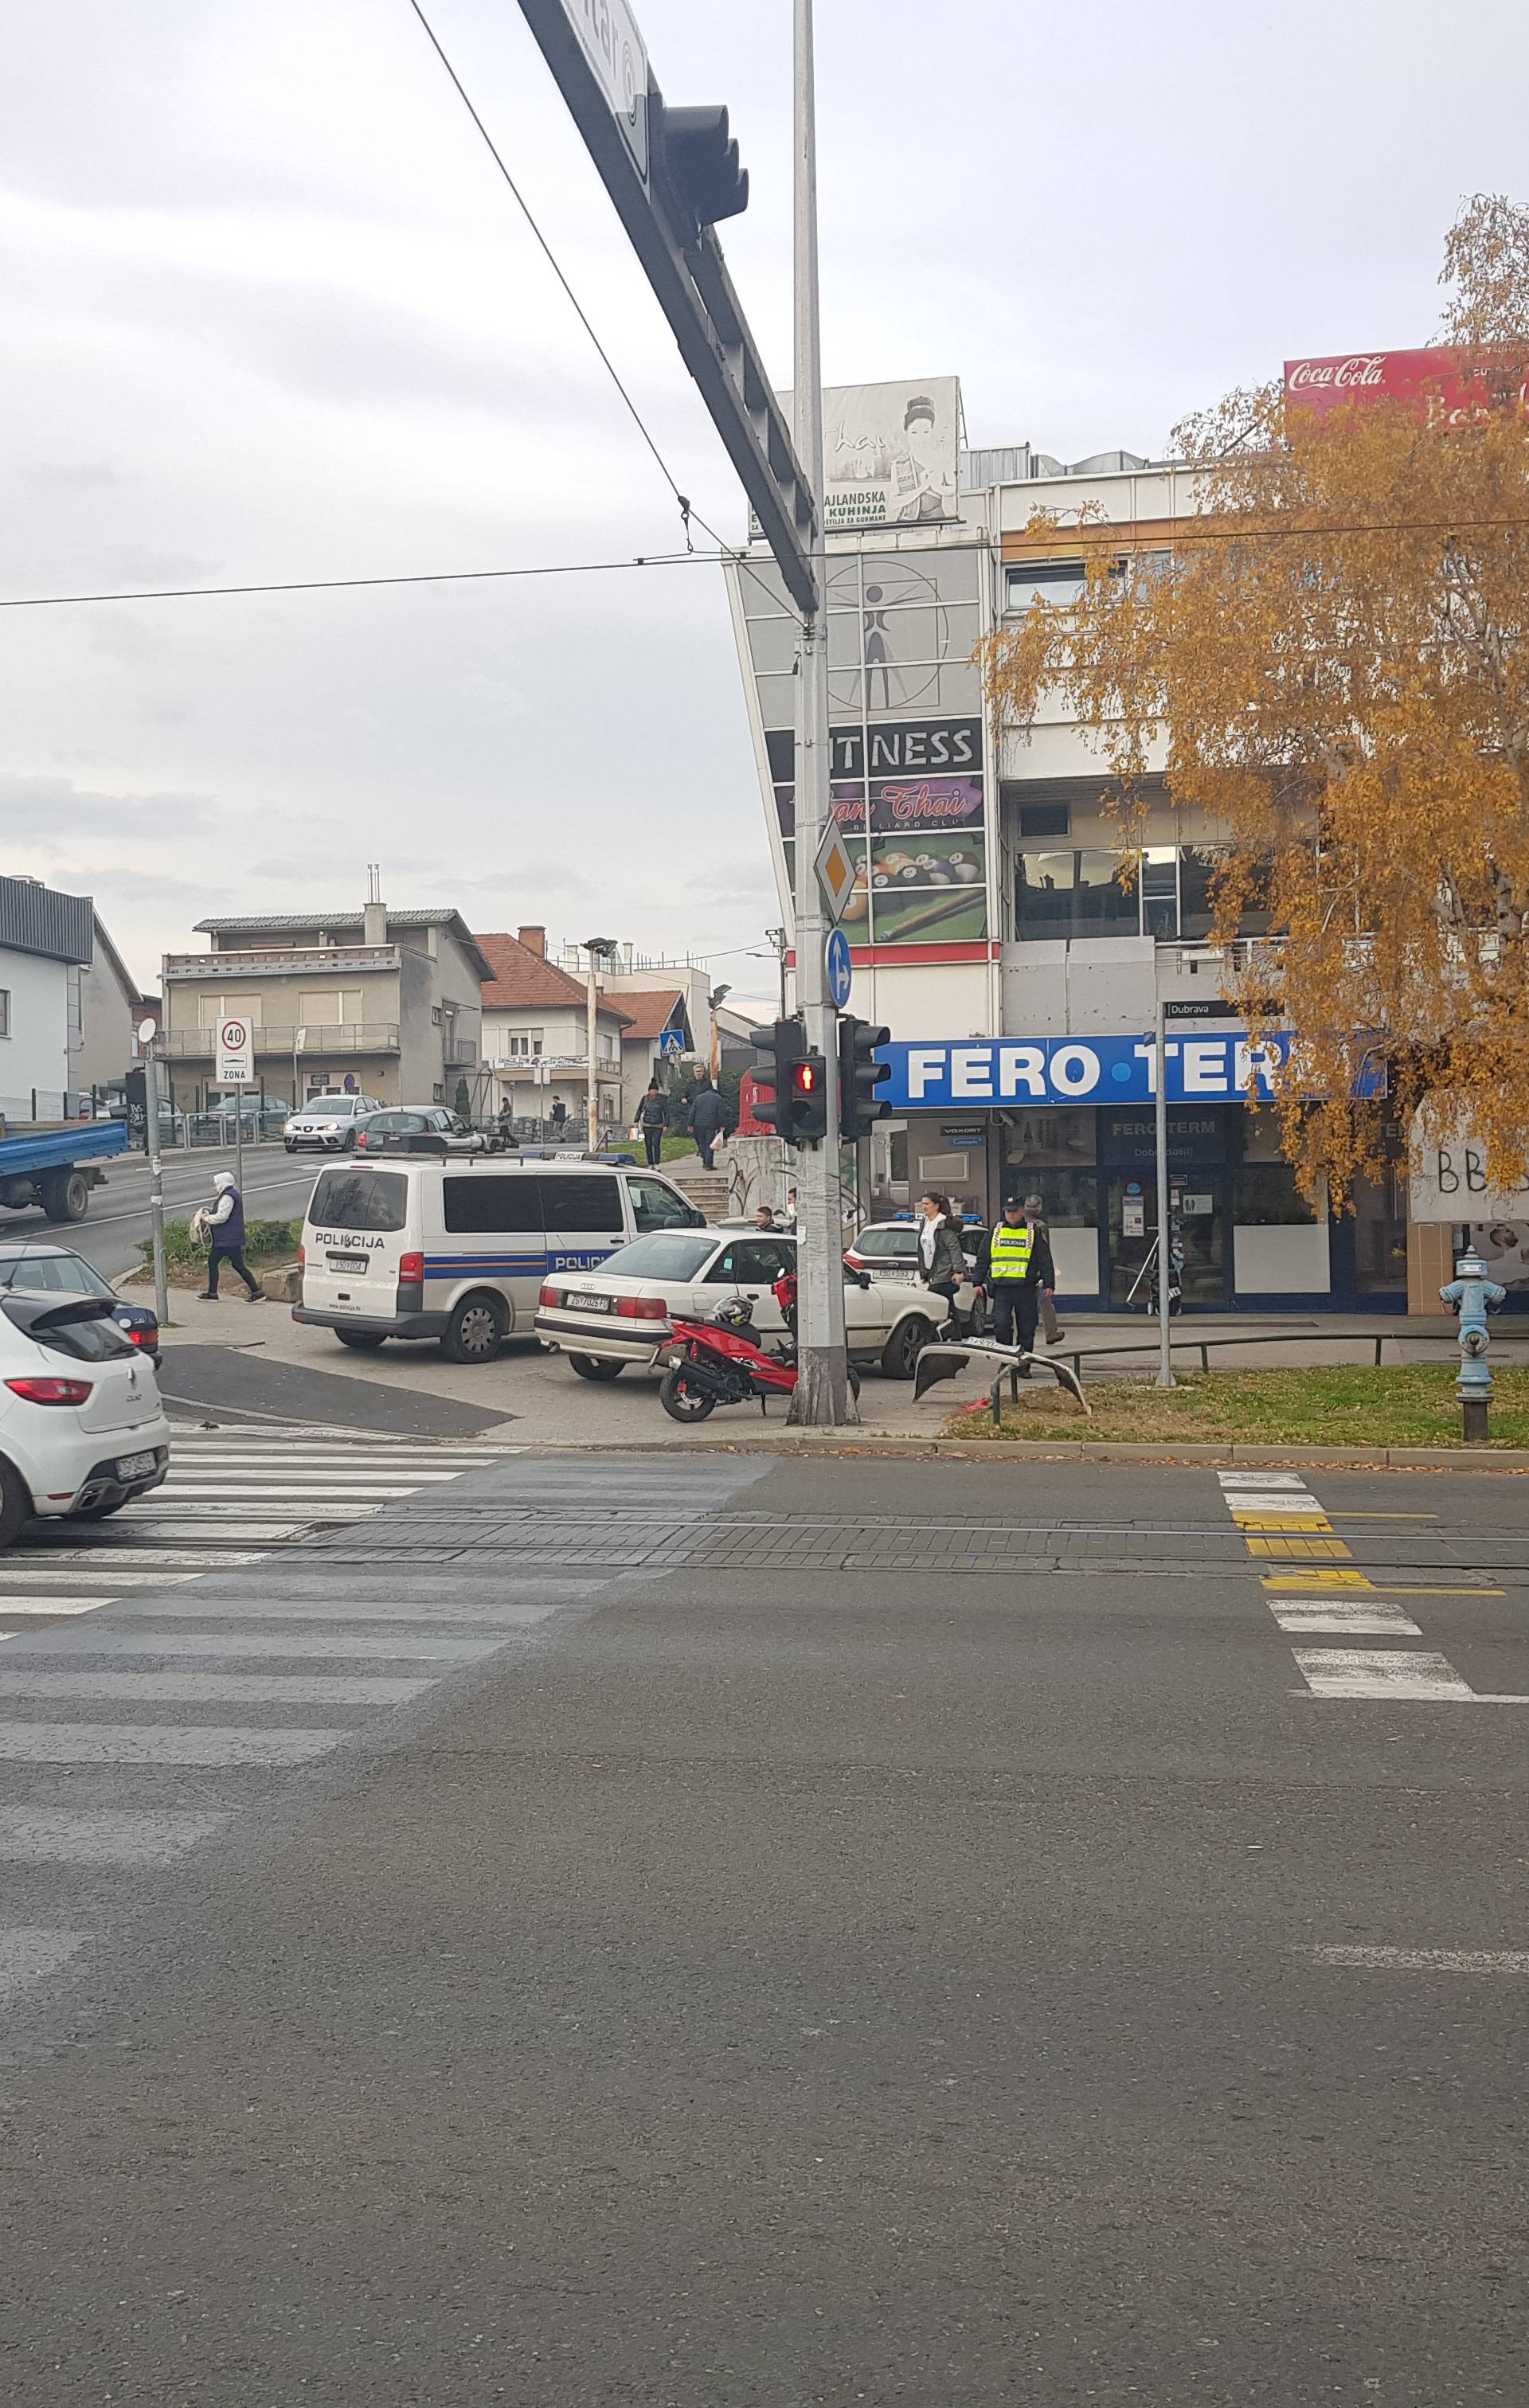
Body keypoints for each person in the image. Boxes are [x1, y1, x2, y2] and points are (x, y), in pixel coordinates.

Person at [978, 1197, 1055, 1373]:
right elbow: (984, 1258)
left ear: (1022, 1211)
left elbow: (1044, 1258)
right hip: (1002, 1288)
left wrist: (1049, 1282)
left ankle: (1023, 1364)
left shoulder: (1032, 1231)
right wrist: (977, 1282)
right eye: (1008, 1211)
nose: (1010, 1214)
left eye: (1014, 1211)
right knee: (1002, 1324)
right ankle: (1006, 1361)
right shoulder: (996, 1231)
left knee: (1027, 1328)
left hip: (1026, 1288)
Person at [197, 1170, 264, 1304]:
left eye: (216, 1184)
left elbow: (222, 1217)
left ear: (222, 1184)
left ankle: (214, 1293)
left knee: (217, 1263)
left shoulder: (227, 1197)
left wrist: (207, 1218)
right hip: (228, 1238)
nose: (214, 1187)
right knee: (235, 1264)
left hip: (227, 1239)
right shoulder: (229, 1195)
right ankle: (255, 1291)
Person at [915, 1190, 967, 1329]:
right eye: (922, 1204)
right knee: (947, 1306)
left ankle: (945, 1335)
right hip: (931, 1273)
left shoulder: (943, 1224)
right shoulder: (924, 1223)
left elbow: (954, 1248)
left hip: (943, 1273)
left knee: (938, 1304)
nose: (924, 1207)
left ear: (936, 1206)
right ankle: (953, 1335)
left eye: (927, 1204)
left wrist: (958, 1270)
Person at [1023, 1190, 1066, 1345]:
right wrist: (1046, 1275)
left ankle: (1022, 1334)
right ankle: (1051, 1333)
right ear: (1039, 1208)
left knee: (1022, 1304)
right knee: (1045, 1302)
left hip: (1018, 1270)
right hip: (1036, 1270)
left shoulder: (1016, 1224)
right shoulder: (1040, 1226)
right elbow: (1044, 1251)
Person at [687, 1076, 729, 1171]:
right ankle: (708, 1164)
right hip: (711, 1125)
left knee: (702, 1144)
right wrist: (722, 1125)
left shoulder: (698, 1098)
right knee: (710, 1144)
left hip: (698, 1125)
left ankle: (705, 1161)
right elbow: (721, 1114)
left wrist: (690, 1124)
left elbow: (693, 1112)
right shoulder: (718, 1099)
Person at [637, 1077, 668, 1169]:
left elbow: (667, 1112)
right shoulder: (645, 1099)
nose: (653, 1093)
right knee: (648, 1144)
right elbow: (640, 1110)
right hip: (647, 1124)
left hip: (658, 1125)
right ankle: (650, 1163)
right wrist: (636, 1120)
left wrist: (666, 1124)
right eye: (652, 1091)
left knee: (656, 1144)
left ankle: (657, 1163)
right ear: (649, 1091)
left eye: (655, 1091)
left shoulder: (662, 1099)